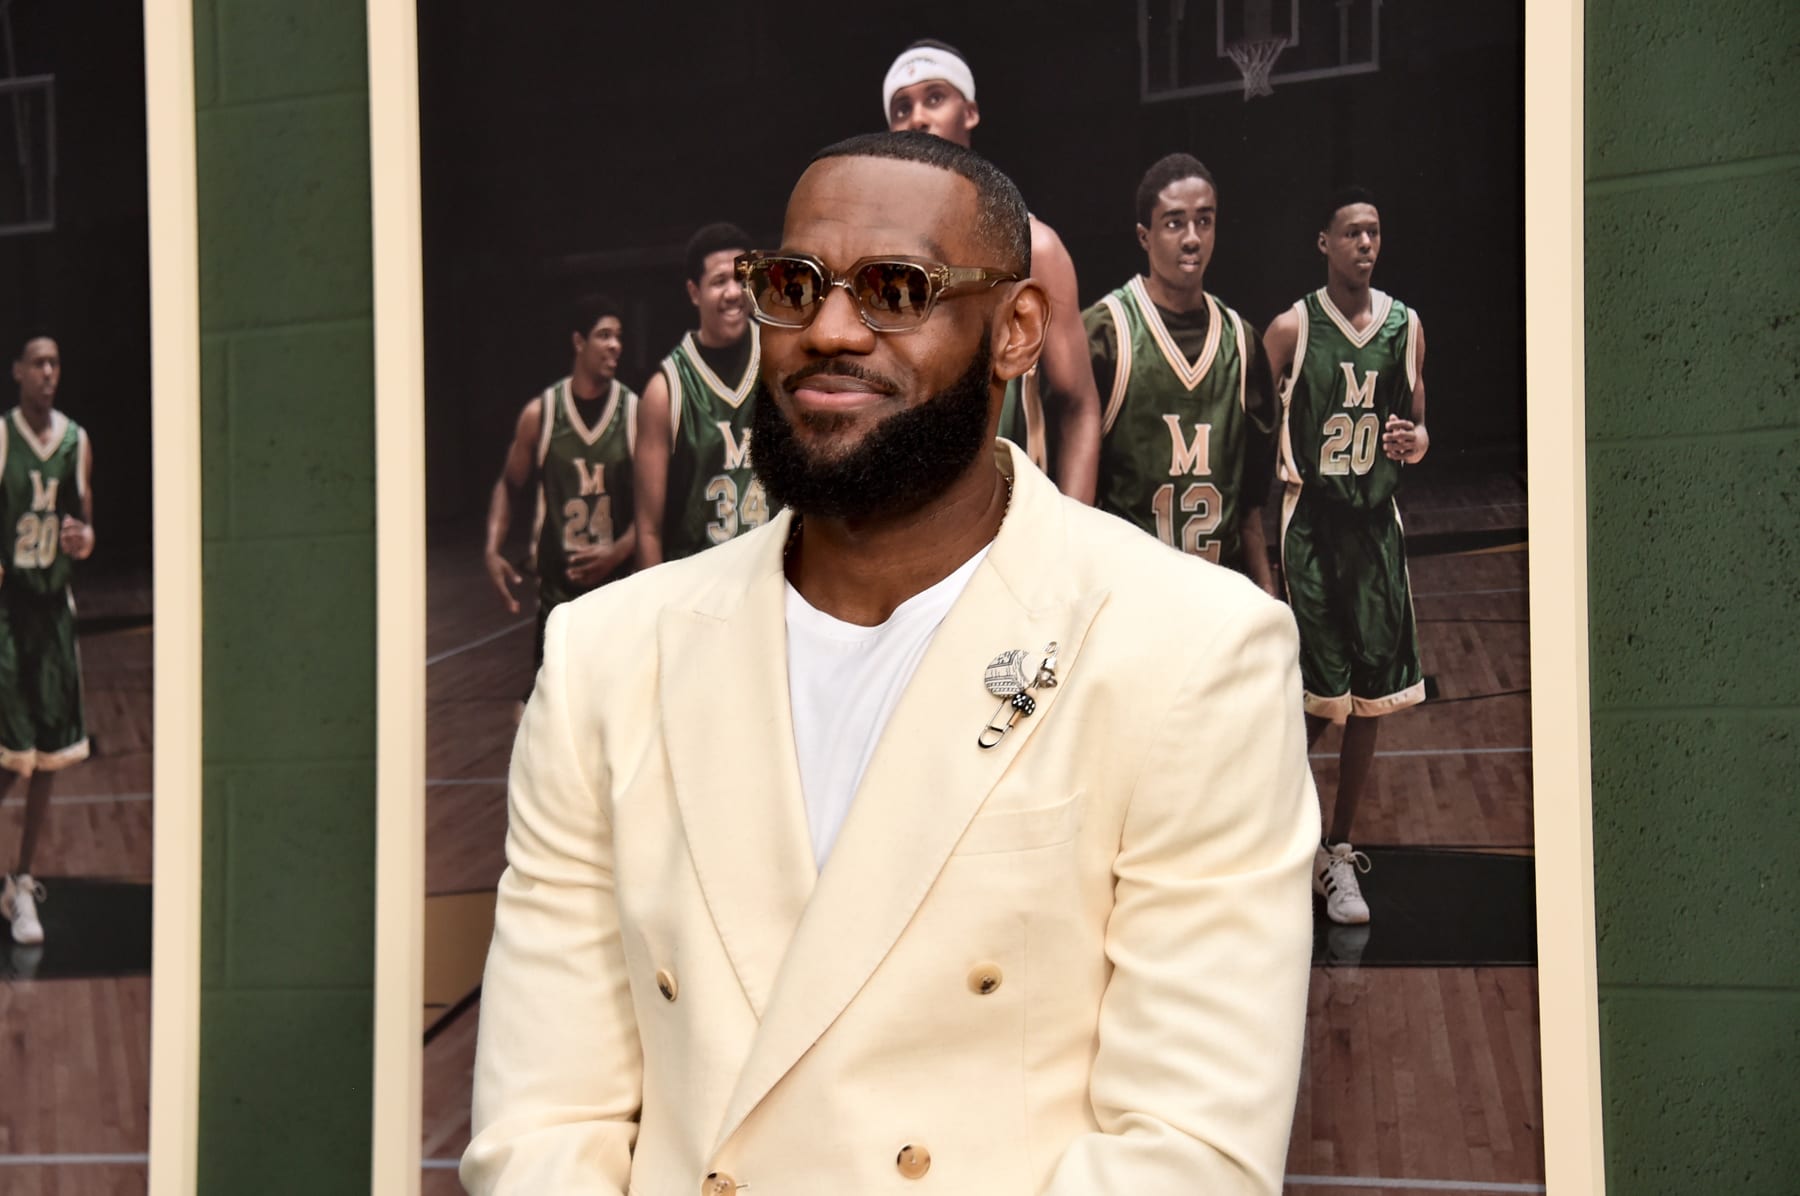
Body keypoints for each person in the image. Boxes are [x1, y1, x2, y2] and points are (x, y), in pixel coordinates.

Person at [463, 131, 1315, 1196]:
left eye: (895, 289)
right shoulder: (605, 655)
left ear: (1013, 333)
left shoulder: (1193, 650)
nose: (826, 329)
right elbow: (542, 1121)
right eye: (795, 284)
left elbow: (1186, 1151)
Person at [1264, 186, 1430, 926]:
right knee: (1316, 701)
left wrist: (1416, 443)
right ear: (1323, 243)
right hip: (1313, 527)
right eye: (1352, 233)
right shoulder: (1292, 328)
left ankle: (1338, 849)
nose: (1366, 244)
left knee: (1371, 700)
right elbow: (1252, 425)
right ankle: (1276, 836)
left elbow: (1419, 422)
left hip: (1376, 530)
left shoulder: (1406, 326)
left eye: (1375, 232)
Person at [883, 38, 1101, 504]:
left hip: (1008, 524)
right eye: (902, 108)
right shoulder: (878, 255)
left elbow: (1080, 405)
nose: (917, 117)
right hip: (905, 524)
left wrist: (1070, 542)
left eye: (935, 98)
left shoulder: (1033, 246)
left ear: (971, 113)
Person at [1084, 153, 1278, 592]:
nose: (1192, 238)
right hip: (1131, 602)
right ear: (1144, 236)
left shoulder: (1242, 343)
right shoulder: (1105, 333)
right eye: (1174, 223)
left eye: (1204, 221)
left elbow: (1249, 515)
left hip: (1217, 603)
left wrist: (1273, 610)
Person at [482, 294, 639, 697]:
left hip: (617, 595)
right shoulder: (542, 413)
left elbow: (654, 509)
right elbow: (508, 484)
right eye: (603, 335)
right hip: (558, 601)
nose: (614, 345)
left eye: (618, 336)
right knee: (545, 725)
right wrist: (493, 548)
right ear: (578, 342)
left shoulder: (634, 412)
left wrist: (618, 551)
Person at [0, 333, 96, 946]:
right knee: (9, 755)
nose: (48, 372)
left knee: (49, 761)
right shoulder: (3, 436)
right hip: (9, 614)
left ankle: (22, 880)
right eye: (38, 362)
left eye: (56, 362)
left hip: (54, 613)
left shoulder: (77, 441)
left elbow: (87, 524)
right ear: (17, 372)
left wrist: (84, 542)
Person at [633, 222, 771, 567]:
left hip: (773, 578)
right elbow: (648, 528)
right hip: (699, 587)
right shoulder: (665, 390)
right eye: (719, 281)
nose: (733, 292)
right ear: (694, 292)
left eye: (741, 279)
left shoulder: (779, 359)